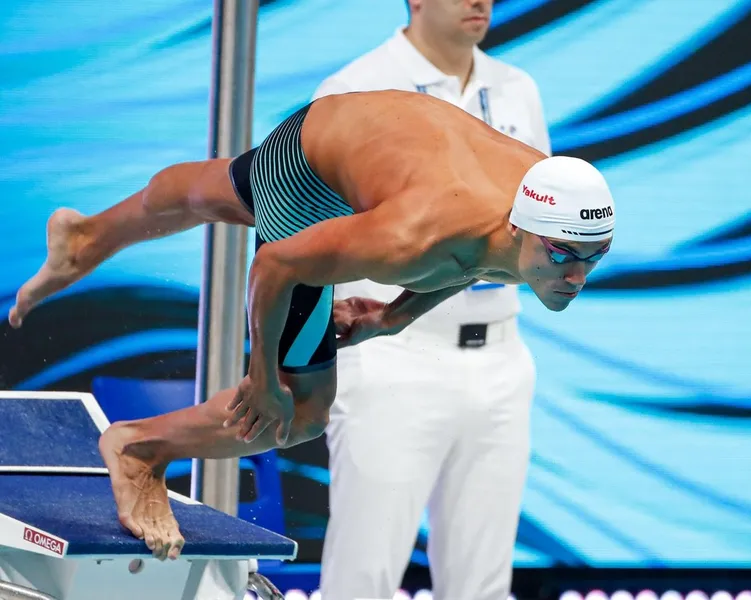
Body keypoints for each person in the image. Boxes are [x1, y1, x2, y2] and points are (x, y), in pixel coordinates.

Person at [8, 90, 615, 563]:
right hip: (312, 175)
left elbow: (478, 259)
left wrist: (390, 318)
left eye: (596, 254)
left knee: (222, 189)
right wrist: (263, 374)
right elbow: (276, 264)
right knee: (300, 412)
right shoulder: (417, 237)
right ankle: (139, 448)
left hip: (349, 128)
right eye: (565, 255)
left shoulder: (542, 217)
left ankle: (85, 237)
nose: (579, 275)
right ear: (521, 228)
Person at [310, 1, 551, 598]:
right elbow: (306, 238)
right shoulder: (355, 89)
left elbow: (547, 230)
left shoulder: (518, 90)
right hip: (396, 354)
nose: (481, 1)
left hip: (500, 358)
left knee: (482, 587)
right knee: (362, 579)